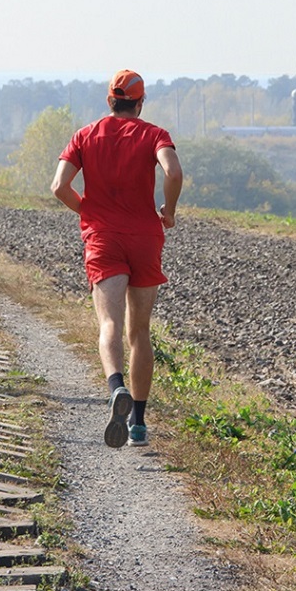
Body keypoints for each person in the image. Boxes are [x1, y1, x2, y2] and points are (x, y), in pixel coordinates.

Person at [51, 69, 183, 448]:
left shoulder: (85, 135)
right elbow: (173, 172)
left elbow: (59, 186)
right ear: (139, 104)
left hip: (102, 240)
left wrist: (89, 212)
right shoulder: (154, 134)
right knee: (139, 331)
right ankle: (138, 425)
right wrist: (169, 211)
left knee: (109, 322)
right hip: (145, 239)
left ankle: (116, 388)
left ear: (110, 101)